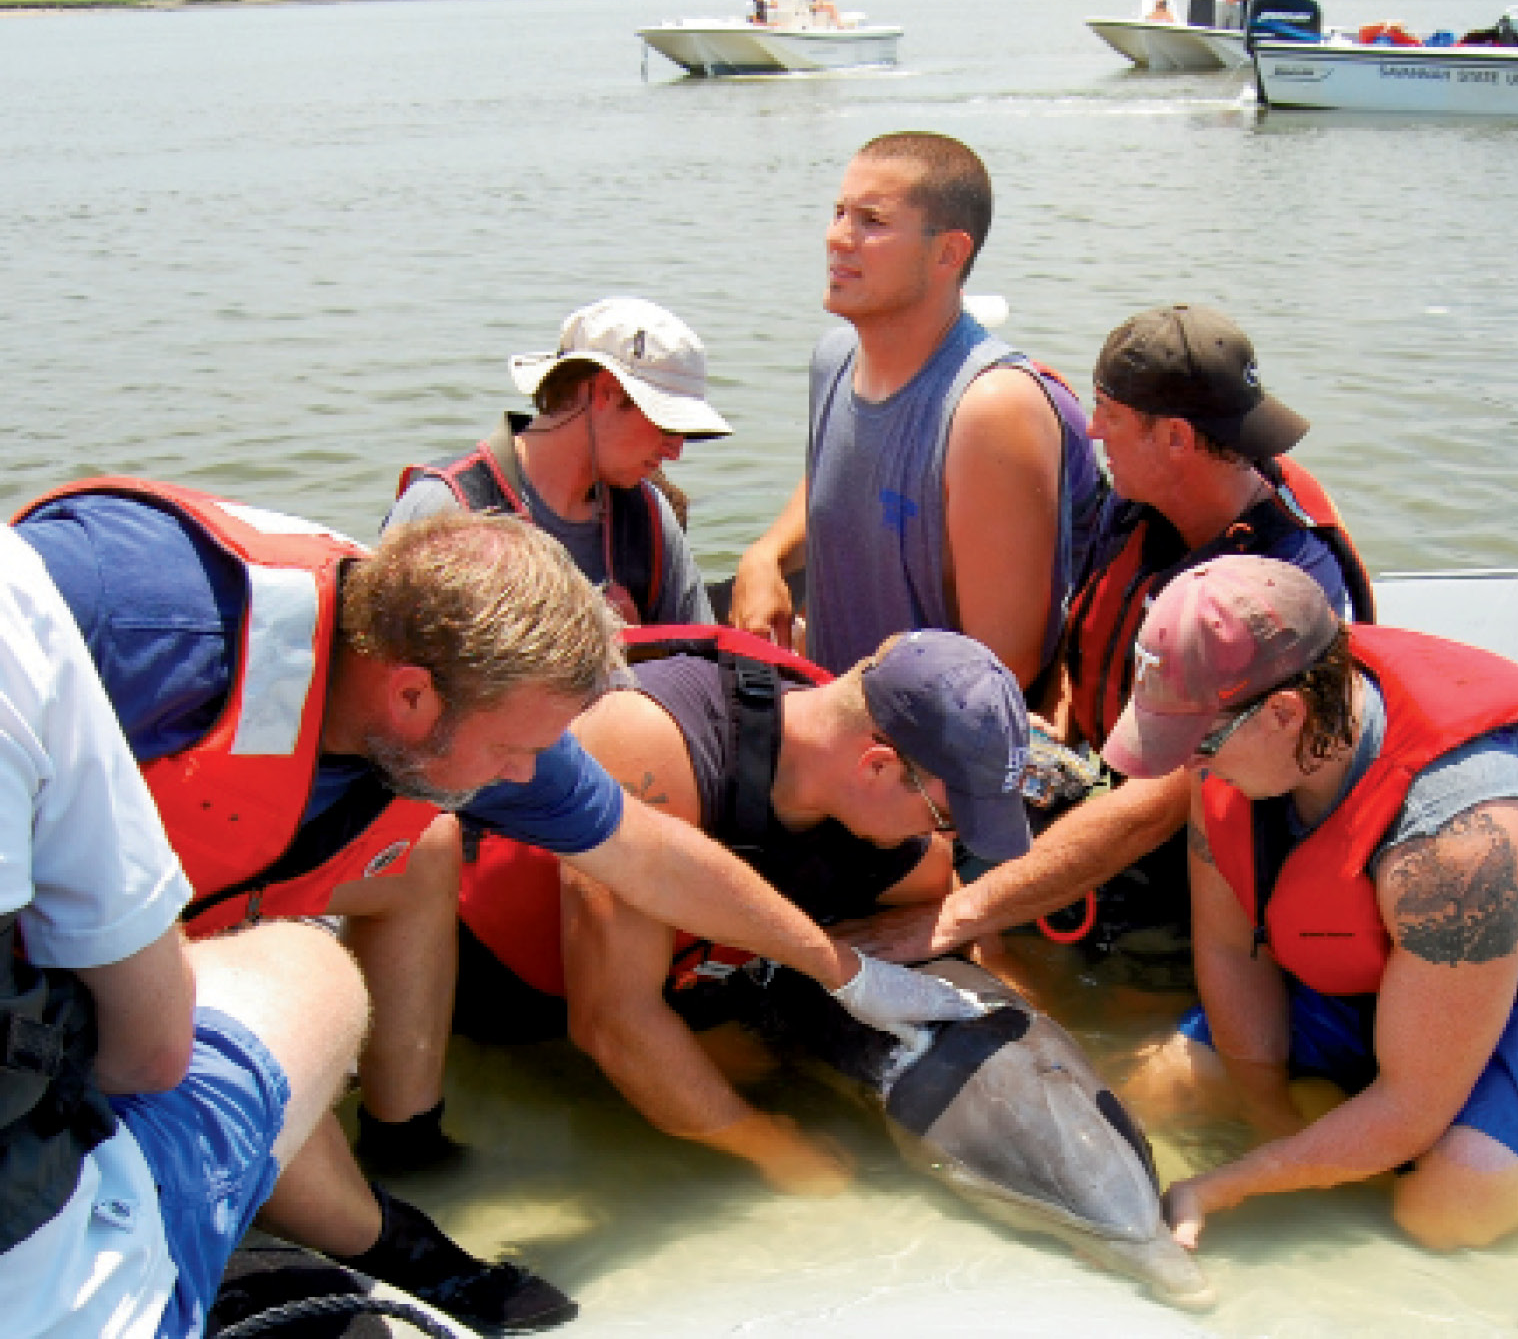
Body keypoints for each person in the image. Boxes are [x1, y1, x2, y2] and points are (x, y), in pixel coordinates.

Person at [11, 485, 988, 1332]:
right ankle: (383, 1235)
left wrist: (842, 969)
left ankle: (409, 1151)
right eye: (515, 753)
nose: (526, 783)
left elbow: (650, 856)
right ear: (410, 699)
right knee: (277, 997)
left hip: (174, 912)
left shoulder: (473, 701)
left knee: (419, 849)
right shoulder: (119, 611)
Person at [1112, 557, 1518, 1253]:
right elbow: (1226, 947)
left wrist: (1225, 1186)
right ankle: (1343, 1116)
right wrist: (1269, 1116)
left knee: (1447, 1211)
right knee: (1164, 1091)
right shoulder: (1241, 730)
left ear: (1284, 713)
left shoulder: (1457, 846)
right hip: (1371, 942)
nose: (1183, 765)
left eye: (1195, 744)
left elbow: (1411, 1108)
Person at [835, 306, 1370, 966]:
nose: (1090, 430)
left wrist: (956, 916)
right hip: (1101, 779)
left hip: (1194, 840)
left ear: (1174, 438)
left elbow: (1170, 795)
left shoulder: (1283, 586)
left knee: (976, 930)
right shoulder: (1136, 504)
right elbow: (1087, 620)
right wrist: (1055, 713)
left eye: (1108, 416)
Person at [453, 628, 1030, 1192]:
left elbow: (963, 921)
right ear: (876, 767)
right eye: (946, 817)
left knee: (756, 1066)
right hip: (508, 1000)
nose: (944, 838)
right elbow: (612, 1022)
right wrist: (768, 1145)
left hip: (683, 987)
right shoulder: (652, 745)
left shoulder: (884, 829)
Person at [1, 525, 370, 1339]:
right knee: (302, 960)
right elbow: (151, 1056)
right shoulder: (14, 601)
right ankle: (377, 1240)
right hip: (52, 1303)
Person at [727, 132, 1100, 703]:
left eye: (871, 222)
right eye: (839, 212)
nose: (837, 238)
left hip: (924, 768)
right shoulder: (834, 361)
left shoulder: (990, 410)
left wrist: (835, 715)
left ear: (950, 253)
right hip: (833, 731)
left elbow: (1002, 669)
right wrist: (765, 556)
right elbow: (842, 478)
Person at [387, 297, 725, 627]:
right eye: (667, 425)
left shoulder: (649, 517)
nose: (675, 451)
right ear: (605, 392)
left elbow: (699, 665)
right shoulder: (446, 509)